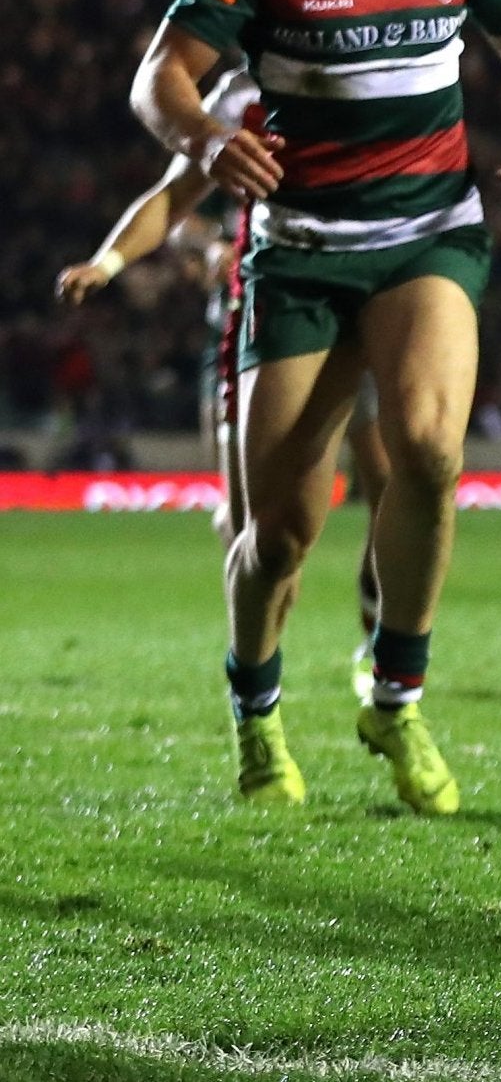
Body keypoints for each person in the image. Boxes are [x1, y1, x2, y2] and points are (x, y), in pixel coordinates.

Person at [128, 0, 501, 813]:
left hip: (427, 234)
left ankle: (394, 695)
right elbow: (159, 80)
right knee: (277, 533)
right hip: (300, 258)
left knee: (427, 451)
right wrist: (201, 140)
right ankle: (255, 712)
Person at [57, 68, 390, 699]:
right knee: (258, 527)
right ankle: (260, 667)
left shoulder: (374, 65)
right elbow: (177, 200)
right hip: (262, 318)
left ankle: (379, 638)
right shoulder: (239, 98)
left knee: (394, 482)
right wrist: (120, 261)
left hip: (361, 307)